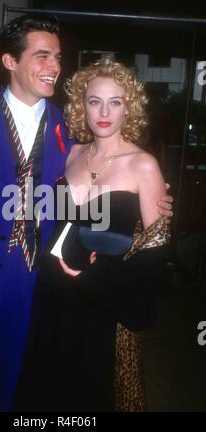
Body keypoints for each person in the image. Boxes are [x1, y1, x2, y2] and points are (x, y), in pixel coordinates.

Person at [0, 15, 172, 412]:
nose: (53, 65)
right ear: (9, 61)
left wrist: (155, 201)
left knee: (17, 393)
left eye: (57, 56)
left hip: (35, 288)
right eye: (41, 55)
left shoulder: (65, 134)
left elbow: (106, 194)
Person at [14, 57, 171, 412]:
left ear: (128, 108)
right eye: (94, 101)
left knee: (92, 394)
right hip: (50, 295)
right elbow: (47, 216)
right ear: (80, 105)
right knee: (45, 394)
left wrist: (98, 276)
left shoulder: (143, 165)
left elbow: (157, 249)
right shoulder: (68, 153)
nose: (104, 111)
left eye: (115, 102)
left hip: (103, 302)